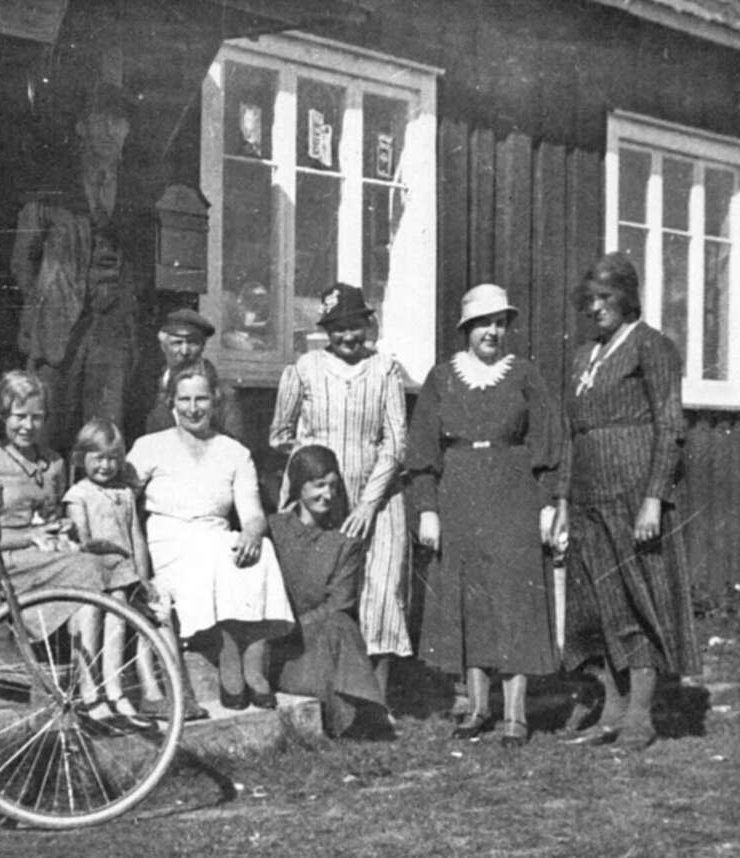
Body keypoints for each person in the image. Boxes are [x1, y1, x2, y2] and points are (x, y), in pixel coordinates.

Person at [553, 252, 698, 752]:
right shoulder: (582, 358)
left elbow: (670, 425)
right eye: (588, 299)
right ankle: (610, 708)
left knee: (638, 599)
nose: (595, 308)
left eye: (605, 298)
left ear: (627, 298)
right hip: (590, 496)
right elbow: (573, 435)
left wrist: (654, 498)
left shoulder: (652, 347)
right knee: (594, 604)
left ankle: (640, 715)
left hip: (633, 491)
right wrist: (565, 503)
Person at [404, 283, 560, 747]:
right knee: (468, 600)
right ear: (466, 329)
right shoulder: (442, 377)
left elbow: (548, 443)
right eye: (482, 324)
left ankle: (515, 715)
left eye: (499, 323)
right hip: (458, 494)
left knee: (515, 597)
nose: (492, 331)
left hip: (513, 494)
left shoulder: (524, 375)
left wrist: (547, 503)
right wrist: (427, 509)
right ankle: (476, 708)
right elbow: (421, 450)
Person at [269, 283, 412, 701]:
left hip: (378, 499)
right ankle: (324, 686)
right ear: (326, 331)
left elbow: (396, 442)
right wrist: (312, 468)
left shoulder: (385, 369)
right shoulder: (304, 369)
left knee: (381, 593)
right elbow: (280, 434)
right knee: (321, 592)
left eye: (355, 326)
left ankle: (374, 699)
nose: (348, 337)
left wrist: (369, 502)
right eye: (338, 328)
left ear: (368, 325)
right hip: (321, 501)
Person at [129, 363, 294, 711]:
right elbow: (120, 496)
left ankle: (254, 659)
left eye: (201, 398)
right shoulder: (149, 447)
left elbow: (252, 515)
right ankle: (229, 653)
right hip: (170, 540)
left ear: (215, 401)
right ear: (171, 402)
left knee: (260, 548)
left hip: (215, 535)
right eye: (184, 399)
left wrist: (251, 531)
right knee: (217, 551)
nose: (193, 408)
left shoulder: (233, 452)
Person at [0, 371, 113, 704]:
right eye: (19, 416)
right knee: (87, 571)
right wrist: (26, 539)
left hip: (40, 565)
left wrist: (60, 531)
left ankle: (88, 682)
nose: (28, 426)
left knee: (92, 567)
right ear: (2, 415)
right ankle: (90, 691)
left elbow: (49, 523)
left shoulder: (53, 462)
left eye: (37, 417)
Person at [11, 83, 139, 450]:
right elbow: (23, 259)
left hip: (112, 331)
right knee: (49, 426)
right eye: (104, 121)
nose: (113, 132)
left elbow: (140, 264)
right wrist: (46, 306)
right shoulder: (52, 187)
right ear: (82, 128)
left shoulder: (134, 188)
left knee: (104, 433)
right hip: (58, 329)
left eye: (120, 123)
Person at [269, 445, 390, 738]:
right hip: (282, 648)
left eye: (333, 486)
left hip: (316, 640)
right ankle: (362, 717)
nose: (328, 494)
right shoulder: (274, 530)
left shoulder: (343, 541)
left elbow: (340, 602)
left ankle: (356, 719)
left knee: (339, 625)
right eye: (318, 485)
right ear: (299, 486)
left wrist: (303, 626)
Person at [63, 418, 163, 726]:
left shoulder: (125, 493)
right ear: (82, 458)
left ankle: (115, 690)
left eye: (112, 459)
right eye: (98, 458)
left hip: (122, 575)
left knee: (118, 621)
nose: (106, 466)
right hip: (92, 572)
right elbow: (82, 540)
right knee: (90, 618)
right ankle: (88, 692)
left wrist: (142, 576)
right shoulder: (78, 494)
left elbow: (136, 537)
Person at [140, 307, 242, 438]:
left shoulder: (224, 394)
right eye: (177, 343)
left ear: (203, 346)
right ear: (163, 346)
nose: (184, 351)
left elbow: (235, 448)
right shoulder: (148, 389)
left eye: (192, 343)